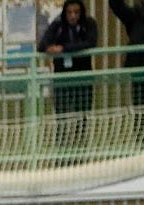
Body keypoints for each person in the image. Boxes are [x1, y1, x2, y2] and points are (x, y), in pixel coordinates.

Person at [40, 1, 99, 145]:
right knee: (61, 117)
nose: (72, 16)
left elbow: (90, 43)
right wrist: (50, 46)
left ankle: (80, 148)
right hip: (62, 78)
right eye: (69, 13)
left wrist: (63, 48)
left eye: (76, 12)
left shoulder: (89, 23)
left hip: (83, 77)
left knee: (82, 116)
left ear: (82, 13)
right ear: (64, 13)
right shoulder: (59, 25)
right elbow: (42, 45)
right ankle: (61, 151)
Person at [111, 0, 144, 131]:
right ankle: (141, 141)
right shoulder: (133, 15)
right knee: (140, 108)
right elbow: (116, 5)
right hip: (139, 70)